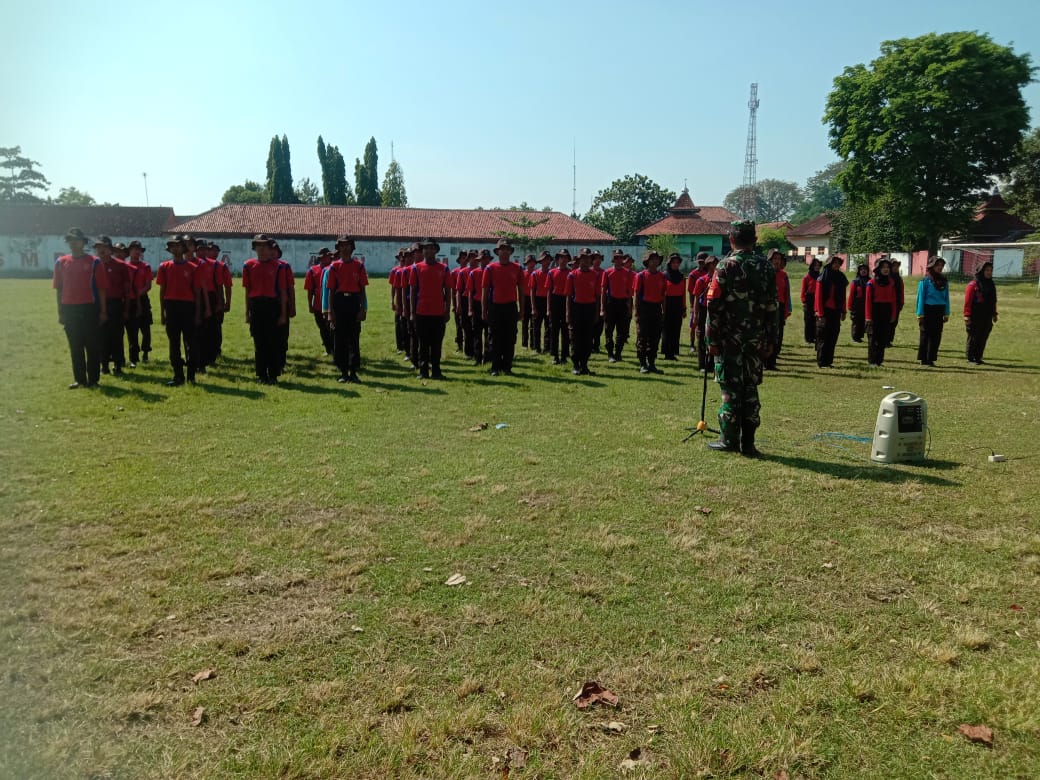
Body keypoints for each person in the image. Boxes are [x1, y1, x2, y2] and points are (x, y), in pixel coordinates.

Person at [705, 221, 778, 456]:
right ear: (755, 241)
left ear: (731, 239)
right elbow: (772, 307)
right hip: (756, 341)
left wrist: (711, 340)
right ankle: (749, 443)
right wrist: (770, 341)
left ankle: (729, 439)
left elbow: (713, 306)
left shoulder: (725, 267)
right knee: (750, 390)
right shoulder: (766, 267)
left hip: (729, 341)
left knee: (730, 391)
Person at [53, 227, 108, 388]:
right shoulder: (61, 262)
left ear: (83, 242)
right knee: (75, 345)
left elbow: (102, 288)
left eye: (77, 240)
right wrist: (60, 311)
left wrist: (103, 311)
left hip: (89, 308)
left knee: (92, 345)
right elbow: (59, 288)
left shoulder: (94, 262)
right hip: (69, 309)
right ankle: (79, 379)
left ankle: (93, 380)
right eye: (70, 240)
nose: (74, 243)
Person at [241, 234, 288, 385]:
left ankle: (273, 374)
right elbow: (247, 291)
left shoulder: (278, 267)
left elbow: (282, 291)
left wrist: (283, 314)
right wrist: (247, 312)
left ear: (270, 248)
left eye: (265, 246)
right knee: (259, 343)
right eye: (259, 246)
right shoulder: (248, 266)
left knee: (273, 342)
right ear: (255, 248)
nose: (262, 249)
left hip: (272, 305)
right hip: (256, 306)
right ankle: (261, 375)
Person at [156, 235, 199, 386]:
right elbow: (162, 291)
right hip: (171, 307)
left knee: (191, 343)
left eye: (178, 245)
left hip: (188, 307)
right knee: (174, 343)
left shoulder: (192, 268)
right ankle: (178, 376)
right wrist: (162, 312)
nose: (175, 248)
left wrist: (198, 312)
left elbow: (197, 292)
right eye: (172, 246)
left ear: (183, 248)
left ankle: (191, 375)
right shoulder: (164, 267)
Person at [327, 235, 368, 383]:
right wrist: (331, 312)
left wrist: (363, 308)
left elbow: (362, 289)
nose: (345, 248)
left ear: (352, 247)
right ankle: (343, 371)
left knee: (354, 338)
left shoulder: (359, 266)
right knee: (340, 339)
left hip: (353, 301)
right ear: (338, 248)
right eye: (342, 245)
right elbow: (331, 290)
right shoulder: (334, 266)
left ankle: (353, 371)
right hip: (339, 302)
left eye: (348, 245)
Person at [481, 239, 525, 376]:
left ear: (510, 252)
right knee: (495, 338)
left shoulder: (517, 268)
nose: (505, 251)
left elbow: (521, 291)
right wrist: (484, 310)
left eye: (507, 249)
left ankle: (507, 367)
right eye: (502, 249)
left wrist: (522, 310)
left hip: (510, 307)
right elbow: (485, 292)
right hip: (495, 307)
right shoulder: (490, 268)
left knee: (510, 338)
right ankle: (495, 367)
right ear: (498, 252)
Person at [409, 238, 451, 379]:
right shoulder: (416, 268)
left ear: (436, 250)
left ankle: (437, 371)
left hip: (438, 312)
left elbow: (448, 291)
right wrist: (412, 312)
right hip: (421, 311)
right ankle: (423, 371)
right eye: (426, 248)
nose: (428, 251)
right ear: (423, 251)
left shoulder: (443, 268)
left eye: (431, 248)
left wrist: (447, 310)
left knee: (437, 343)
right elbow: (413, 291)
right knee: (423, 344)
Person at [96, 236, 134, 375]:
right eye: (98, 248)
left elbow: (127, 289)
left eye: (104, 247)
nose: (101, 250)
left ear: (110, 249)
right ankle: (104, 365)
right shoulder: (94, 265)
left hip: (116, 304)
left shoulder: (120, 265)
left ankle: (118, 365)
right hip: (98, 304)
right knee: (101, 336)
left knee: (117, 336)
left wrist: (126, 309)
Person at [565, 248, 600, 375]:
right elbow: (569, 296)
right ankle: (575, 364)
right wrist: (568, 313)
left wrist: (597, 313)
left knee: (587, 338)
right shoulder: (572, 275)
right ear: (579, 261)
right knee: (575, 338)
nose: (585, 261)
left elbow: (597, 296)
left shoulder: (595, 275)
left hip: (589, 308)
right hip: (576, 308)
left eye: (588, 259)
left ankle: (584, 365)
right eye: (583, 259)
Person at [634, 250, 667, 374]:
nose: (655, 261)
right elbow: (636, 295)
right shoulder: (640, 276)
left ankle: (652, 363)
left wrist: (664, 310)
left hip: (656, 309)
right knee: (643, 336)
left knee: (655, 337)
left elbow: (663, 295)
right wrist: (636, 311)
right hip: (644, 308)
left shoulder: (662, 276)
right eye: (652, 259)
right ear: (647, 261)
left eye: (657, 259)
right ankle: (643, 364)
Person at [814, 255, 848, 368]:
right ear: (829, 264)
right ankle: (821, 361)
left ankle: (828, 361)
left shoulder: (841, 278)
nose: (837, 265)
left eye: (838, 263)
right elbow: (818, 298)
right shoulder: (822, 279)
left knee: (833, 336)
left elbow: (843, 296)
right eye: (834, 263)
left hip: (836, 311)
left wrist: (844, 310)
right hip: (824, 311)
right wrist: (820, 314)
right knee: (823, 336)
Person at [601, 248, 634, 363]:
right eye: (616, 258)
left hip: (623, 303)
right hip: (610, 303)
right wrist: (602, 308)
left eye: (620, 258)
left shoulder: (628, 273)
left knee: (622, 331)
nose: (618, 260)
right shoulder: (607, 272)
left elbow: (629, 292)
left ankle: (618, 353)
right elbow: (603, 291)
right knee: (609, 330)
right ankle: (610, 353)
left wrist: (629, 308)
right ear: (613, 259)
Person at [916, 256, 950, 367]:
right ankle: (923, 358)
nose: (940, 267)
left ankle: (931, 358)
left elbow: (946, 298)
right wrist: (920, 314)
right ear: (931, 266)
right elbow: (920, 298)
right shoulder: (925, 281)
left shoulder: (944, 281)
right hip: (927, 309)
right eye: (937, 265)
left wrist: (946, 312)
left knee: (936, 335)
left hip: (939, 310)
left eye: (941, 265)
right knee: (925, 334)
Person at [865, 257, 897, 367]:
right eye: (883, 267)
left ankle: (879, 360)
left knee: (883, 337)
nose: (886, 269)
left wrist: (893, 314)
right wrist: (868, 317)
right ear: (878, 269)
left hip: (886, 311)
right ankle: (872, 361)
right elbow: (868, 301)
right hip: (875, 311)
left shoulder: (891, 282)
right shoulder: (871, 283)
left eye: (887, 267)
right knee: (873, 337)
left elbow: (893, 300)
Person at [964, 259, 998, 364]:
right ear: (981, 271)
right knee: (974, 336)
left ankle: (978, 357)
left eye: (990, 270)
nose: (989, 272)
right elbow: (968, 302)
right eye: (987, 270)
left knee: (983, 337)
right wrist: (967, 315)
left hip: (987, 315)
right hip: (975, 315)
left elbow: (993, 300)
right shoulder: (973, 285)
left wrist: (994, 314)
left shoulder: (991, 284)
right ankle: (970, 357)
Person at [125, 240, 153, 366]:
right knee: (132, 330)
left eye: (138, 249)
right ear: (129, 251)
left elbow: (148, 285)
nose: (136, 252)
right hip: (129, 301)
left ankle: (146, 352)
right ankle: (133, 357)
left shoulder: (145, 267)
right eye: (133, 249)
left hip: (142, 299)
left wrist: (138, 293)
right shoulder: (125, 267)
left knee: (145, 329)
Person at [690, 255, 719, 373]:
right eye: (711, 264)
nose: (714, 266)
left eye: (716, 264)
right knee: (702, 337)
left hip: (716, 310)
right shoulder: (701, 280)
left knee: (715, 337)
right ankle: (702, 364)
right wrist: (695, 315)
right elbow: (697, 298)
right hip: (703, 310)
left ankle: (712, 363)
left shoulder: (720, 280)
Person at [305, 248, 335, 355]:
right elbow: (309, 290)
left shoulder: (333, 269)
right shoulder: (313, 271)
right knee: (322, 328)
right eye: (326, 257)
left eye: (329, 257)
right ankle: (328, 348)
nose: (328, 259)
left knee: (332, 327)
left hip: (332, 304)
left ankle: (334, 348)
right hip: (318, 305)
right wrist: (310, 304)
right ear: (321, 258)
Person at [764, 250, 791, 371]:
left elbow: (786, 294)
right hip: (765, 306)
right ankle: (763, 361)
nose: (777, 261)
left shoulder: (783, 275)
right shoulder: (764, 273)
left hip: (779, 307)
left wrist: (786, 310)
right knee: (765, 334)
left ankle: (772, 362)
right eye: (774, 258)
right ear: (769, 260)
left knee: (777, 335)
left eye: (779, 259)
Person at [546, 249, 571, 365]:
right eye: (561, 257)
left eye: (565, 257)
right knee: (554, 330)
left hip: (566, 301)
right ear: (558, 259)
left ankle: (564, 355)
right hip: (555, 301)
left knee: (566, 330)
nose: (563, 259)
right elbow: (549, 292)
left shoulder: (571, 273)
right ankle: (555, 355)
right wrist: (548, 308)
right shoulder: (551, 273)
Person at [661, 252, 687, 360]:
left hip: (678, 305)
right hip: (667, 304)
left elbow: (683, 294)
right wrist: (662, 308)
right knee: (667, 329)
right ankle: (667, 352)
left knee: (676, 329)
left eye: (677, 262)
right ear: (669, 263)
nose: (675, 264)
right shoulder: (664, 276)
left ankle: (673, 351)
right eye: (673, 262)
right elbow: (661, 292)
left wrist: (684, 308)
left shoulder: (681, 277)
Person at [529, 250, 552, 354]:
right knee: (536, 326)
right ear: (541, 261)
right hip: (538, 300)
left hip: (549, 300)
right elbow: (532, 291)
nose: (547, 262)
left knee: (548, 326)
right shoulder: (535, 274)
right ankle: (537, 347)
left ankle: (547, 347)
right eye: (544, 260)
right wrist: (533, 307)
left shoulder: (551, 273)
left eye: (548, 260)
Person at [687, 252, 709, 355]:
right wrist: (692, 306)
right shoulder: (693, 274)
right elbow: (691, 292)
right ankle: (692, 344)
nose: (701, 264)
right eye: (699, 262)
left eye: (703, 262)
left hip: (707, 304)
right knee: (693, 325)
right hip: (697, 303)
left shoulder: (710, 273)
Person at [800, 257, 822, 344]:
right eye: (815, 265)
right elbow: (803, 291)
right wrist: (804, 301)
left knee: (816, 319)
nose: (817, 267)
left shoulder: (821, 277)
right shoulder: (807, 277)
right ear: (812, 266)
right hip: (809, 299)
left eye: (818, 265)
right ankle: (808, 338)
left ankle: (814, 337)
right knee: (808, 320)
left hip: (818, 299)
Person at [847, 261, 870, 343]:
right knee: (856, 321)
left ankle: (860, 336)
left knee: (864, 321)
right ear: (859, 271)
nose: (863, 271)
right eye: (861, 269)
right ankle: (855, 337)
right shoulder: (855, 282)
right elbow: (851, 295)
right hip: (857, 305)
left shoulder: (870, 281)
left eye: (865, 269)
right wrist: (850, 306)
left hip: (866, 304)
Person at [521, 254, 536, 349]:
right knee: (524, 322)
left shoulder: (535, 273)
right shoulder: (523, 274)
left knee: (533, 322)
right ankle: (524, 343)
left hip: (534, 299)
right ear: (526, 264)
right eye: (529, 262)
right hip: (525, 298)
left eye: (533, 262)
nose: (531, 264)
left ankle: (533, 343)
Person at [889, 258, 905, 346]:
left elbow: (901, 291)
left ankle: (890, 339)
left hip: (897, 303)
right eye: (893, 266)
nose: (895, 268)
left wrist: (902, 302)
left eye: (897, 266)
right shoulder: (887, 278)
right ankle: (884, 339)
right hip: (888, 303)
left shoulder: (899, 279)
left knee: (894, 321)